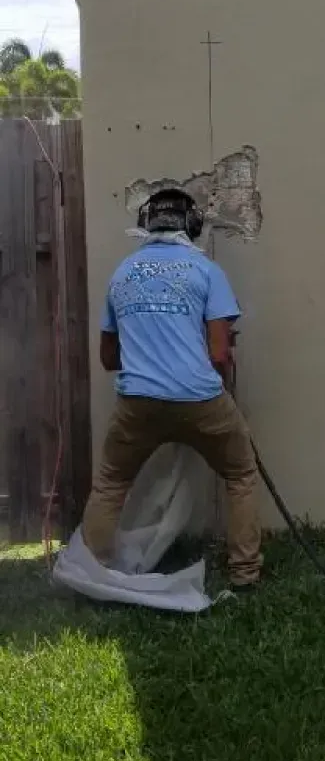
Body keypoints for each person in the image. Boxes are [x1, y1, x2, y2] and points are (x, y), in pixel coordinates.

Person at [80, 187, 263, 588]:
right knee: (241, 473)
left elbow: (109, 359)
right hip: (199, 400)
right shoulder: (207, 271)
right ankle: (245, 572)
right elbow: (219, 355)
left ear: (146, 225)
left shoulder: (122, 274)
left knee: (111, 482)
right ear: (192, 227)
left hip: (137, 403)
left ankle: (92, 574)